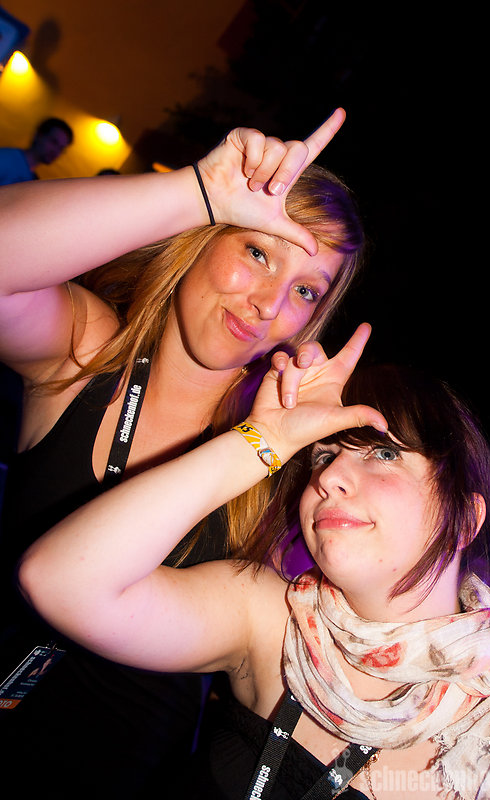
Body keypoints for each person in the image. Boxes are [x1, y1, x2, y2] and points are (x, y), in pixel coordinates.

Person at [0, 109, 365, 795]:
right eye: (258, 252)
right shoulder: (88, 354)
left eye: (304, 291)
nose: (268, 303)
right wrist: (196, 190)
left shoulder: (284, 463)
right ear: (203, 236)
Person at [18, 325, 490, 800]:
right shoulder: (272, 621)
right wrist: (266, 439)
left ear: (465, 519)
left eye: (384, 454)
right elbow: (61, 581)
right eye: (324, 456)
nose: (328, 478)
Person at [0, 116, 73, 185]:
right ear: (39, 135)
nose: (56, 151)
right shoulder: (5, 158)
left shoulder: (33, 180)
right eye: (54, 142)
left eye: (61, 148)